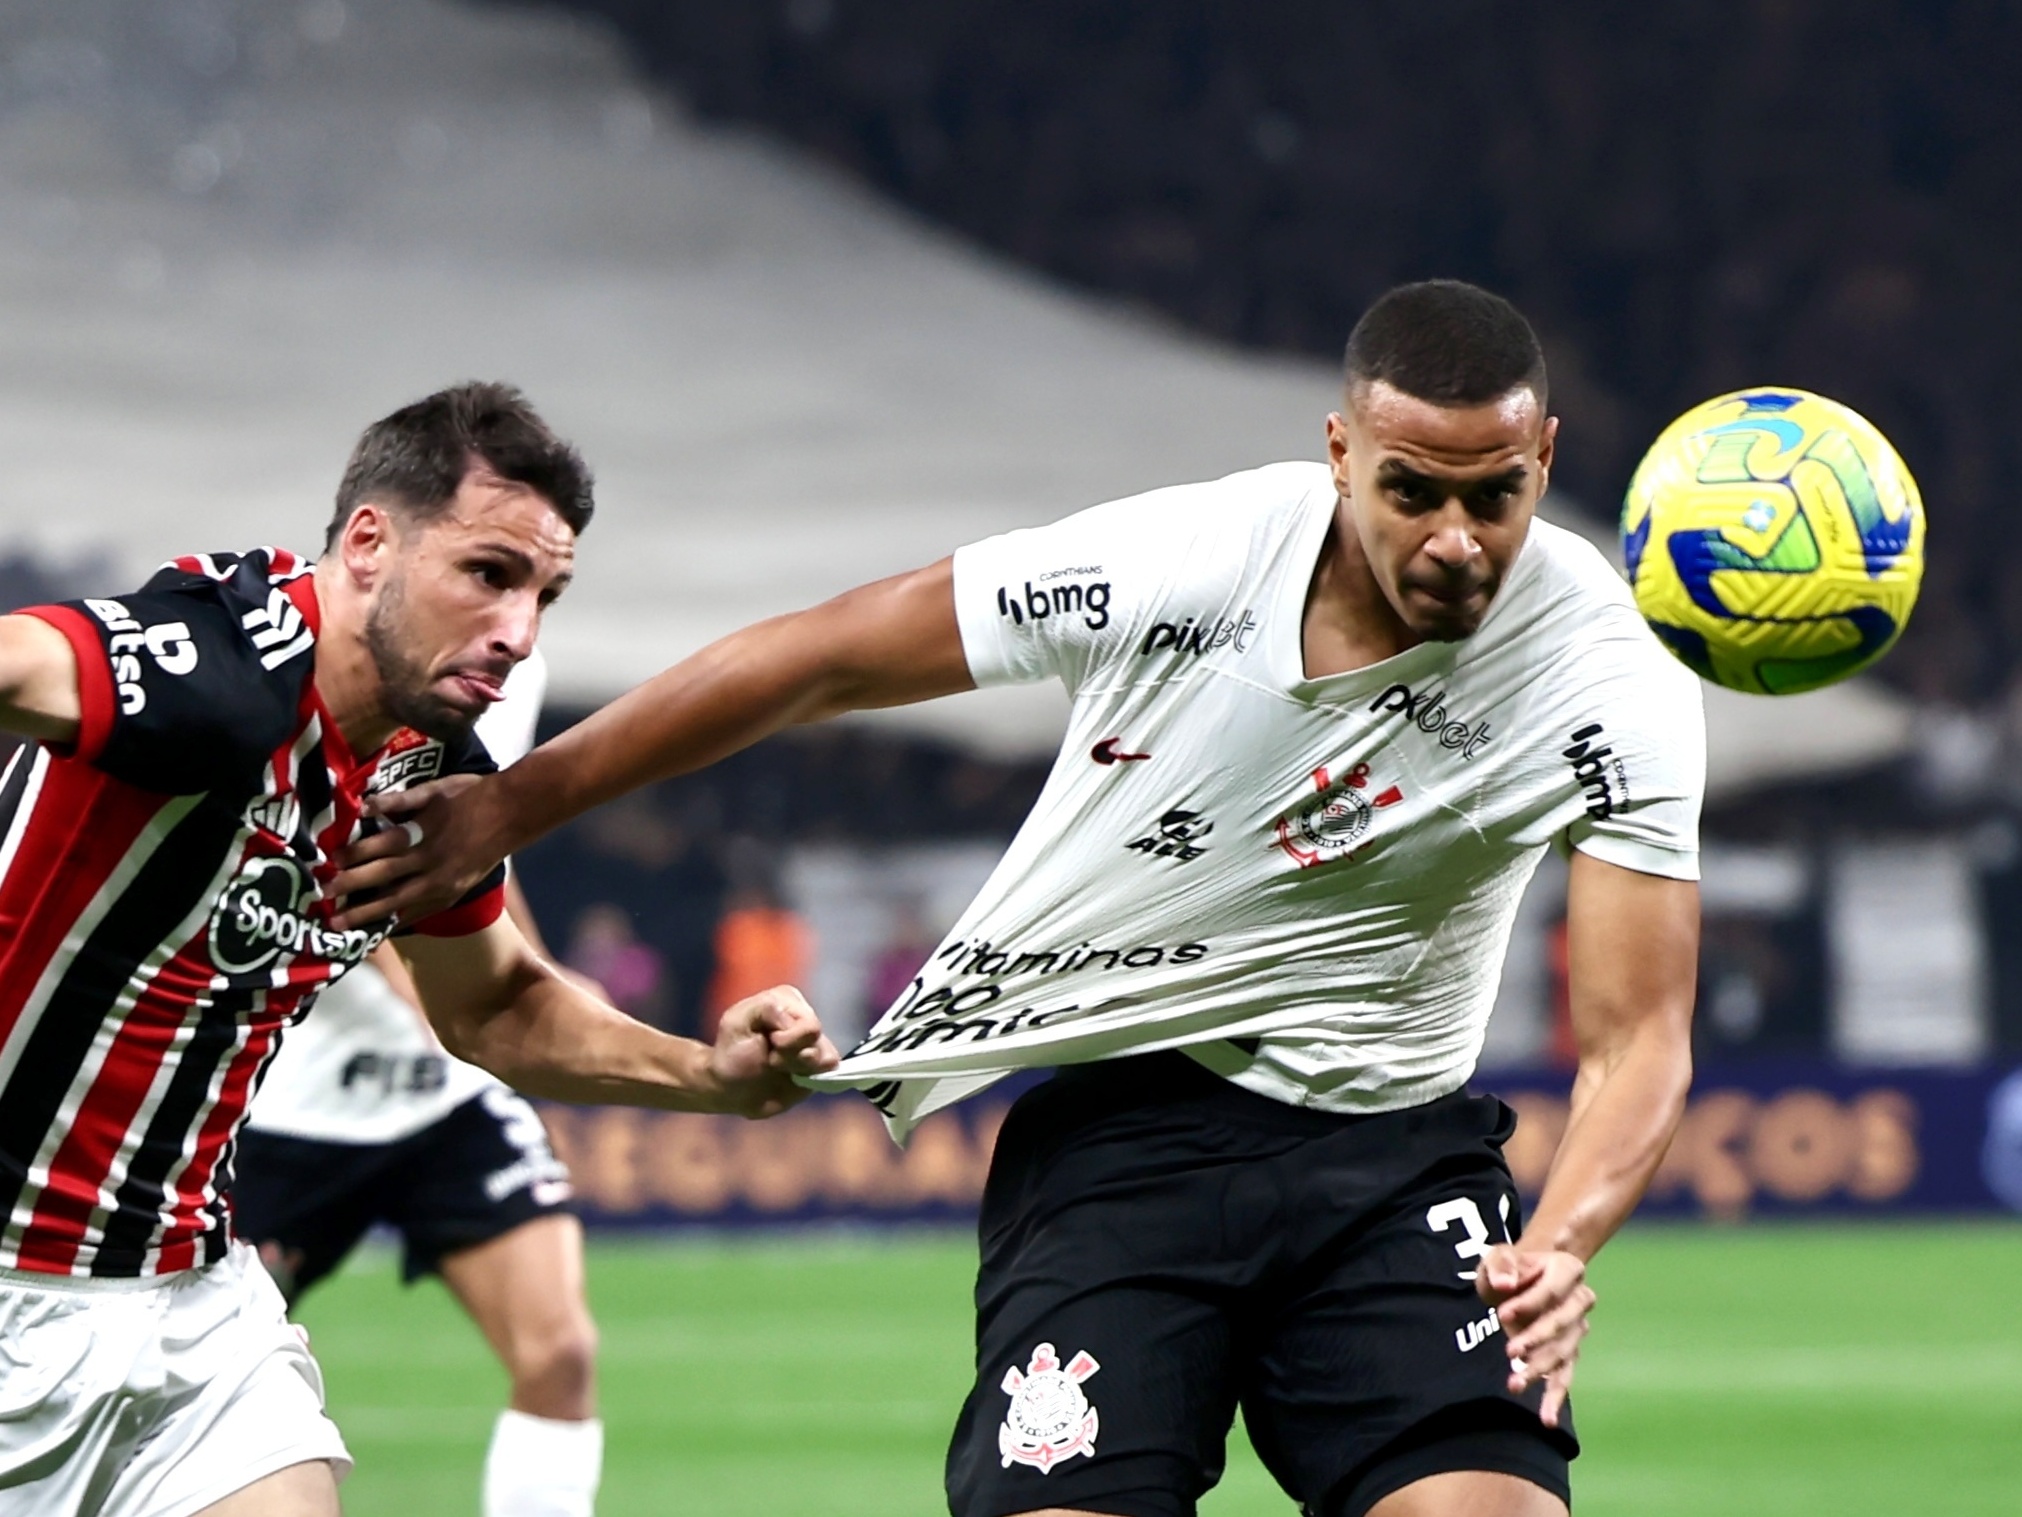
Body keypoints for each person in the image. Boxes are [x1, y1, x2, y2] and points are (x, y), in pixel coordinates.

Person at [336, 284, 1703, 1517]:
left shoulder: (1611, 679)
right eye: (1413, 492)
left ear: (1545, 464)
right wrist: (513, 804)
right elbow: (824, 660)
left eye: (1494, 498)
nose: (1456, 541)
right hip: (1124, 1134)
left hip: (1392, 1155)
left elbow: (1639, 1036)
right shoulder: (1191, 560)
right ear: (1340, 455)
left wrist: (1563, 1239)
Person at [0, 381, 837, 1517]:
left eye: (546, 591)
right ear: (365, 543)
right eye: (488, 574)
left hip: (193, 1304)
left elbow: (495, 1009)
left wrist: (706, 1071)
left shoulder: (423, 772)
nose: (519, 629)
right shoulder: (219, 664)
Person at [234, 649, 608, 1517]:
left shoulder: (517, 671)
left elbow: (474, 863)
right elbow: (336, 888)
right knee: (200, 1385)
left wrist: (537, 973)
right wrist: (481, 1009)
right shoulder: (318, 679)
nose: (515, 617)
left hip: (445, 1102)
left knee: (559, 1354)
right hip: (288, 1109)